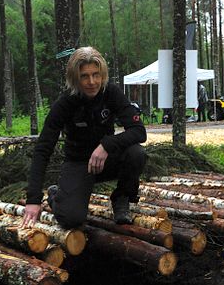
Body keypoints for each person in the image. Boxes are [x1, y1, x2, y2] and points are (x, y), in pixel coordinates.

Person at [22, 47, 147, 229]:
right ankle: (56, 196)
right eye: (84, 76)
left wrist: (106, 144)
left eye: (96, 75)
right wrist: (33, 199)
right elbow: (43, 149)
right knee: (71, 220)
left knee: (136, 153)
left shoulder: (111, 93)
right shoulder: (65, 103)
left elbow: (139, 131)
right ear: (75, 78)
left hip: (105, 160)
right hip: (78, 163)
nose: (92, 82)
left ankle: (122, 198)